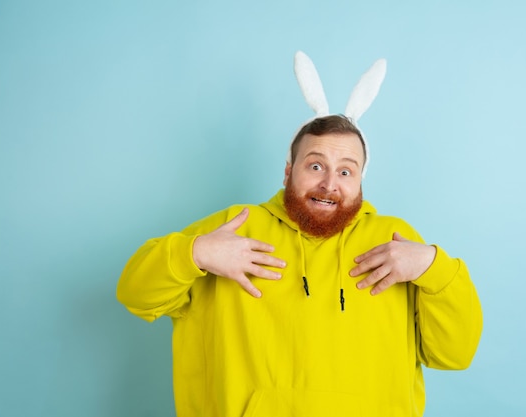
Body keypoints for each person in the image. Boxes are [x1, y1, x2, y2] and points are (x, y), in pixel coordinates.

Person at [117, 53, 482, 417]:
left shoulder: (394, 240)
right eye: (316, 165)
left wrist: (434, 267)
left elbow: (454, 354)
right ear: (289, 171)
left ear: (360, 181)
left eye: (345, 172)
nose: (329, 184)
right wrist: (194, 253)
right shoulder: (236, 226)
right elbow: (135, 294)